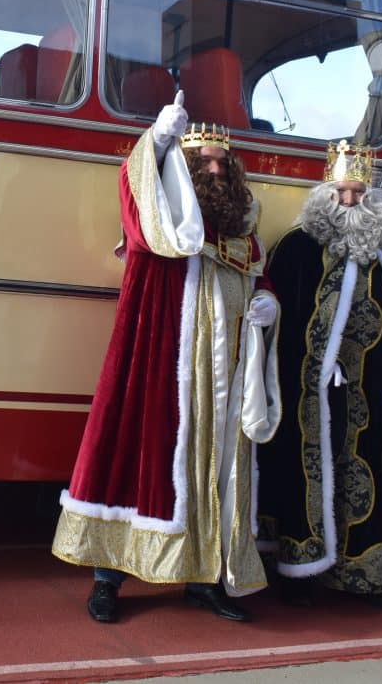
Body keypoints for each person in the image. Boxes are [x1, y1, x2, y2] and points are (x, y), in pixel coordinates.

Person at [51, 92, 281, 624]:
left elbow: (255, 273)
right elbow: (136, 194)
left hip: (223, 374)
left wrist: (267, 298)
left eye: (223, 162)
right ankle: (107, 579)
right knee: (139, 457)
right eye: (204, 162)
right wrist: (156, 141)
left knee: (215, 471)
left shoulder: (241, 228)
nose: (217, 170)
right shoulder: (162, 226)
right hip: (164, 365)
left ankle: (203, 578)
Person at [258, 141, 382, 608]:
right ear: (325, 192)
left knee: (364, 474)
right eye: (341, 193)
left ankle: (360, 577)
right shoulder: (296, 246)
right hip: (308, 392)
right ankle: (299, 572)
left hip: (370, 387)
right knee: (303, 475)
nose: (349, 202)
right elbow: (284, 328)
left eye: (358, 194)